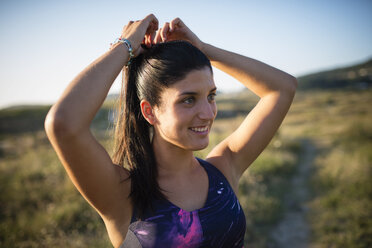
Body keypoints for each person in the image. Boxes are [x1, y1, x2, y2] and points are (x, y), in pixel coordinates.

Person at [45, 13, 297, 248]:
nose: (208, 114)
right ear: (149, 111)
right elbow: (63, 124)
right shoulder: (121, 194)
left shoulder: (224, 168)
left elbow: (282, 88)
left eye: (210, 96)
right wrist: (125, 47)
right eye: (188, 99)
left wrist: (201, 48)